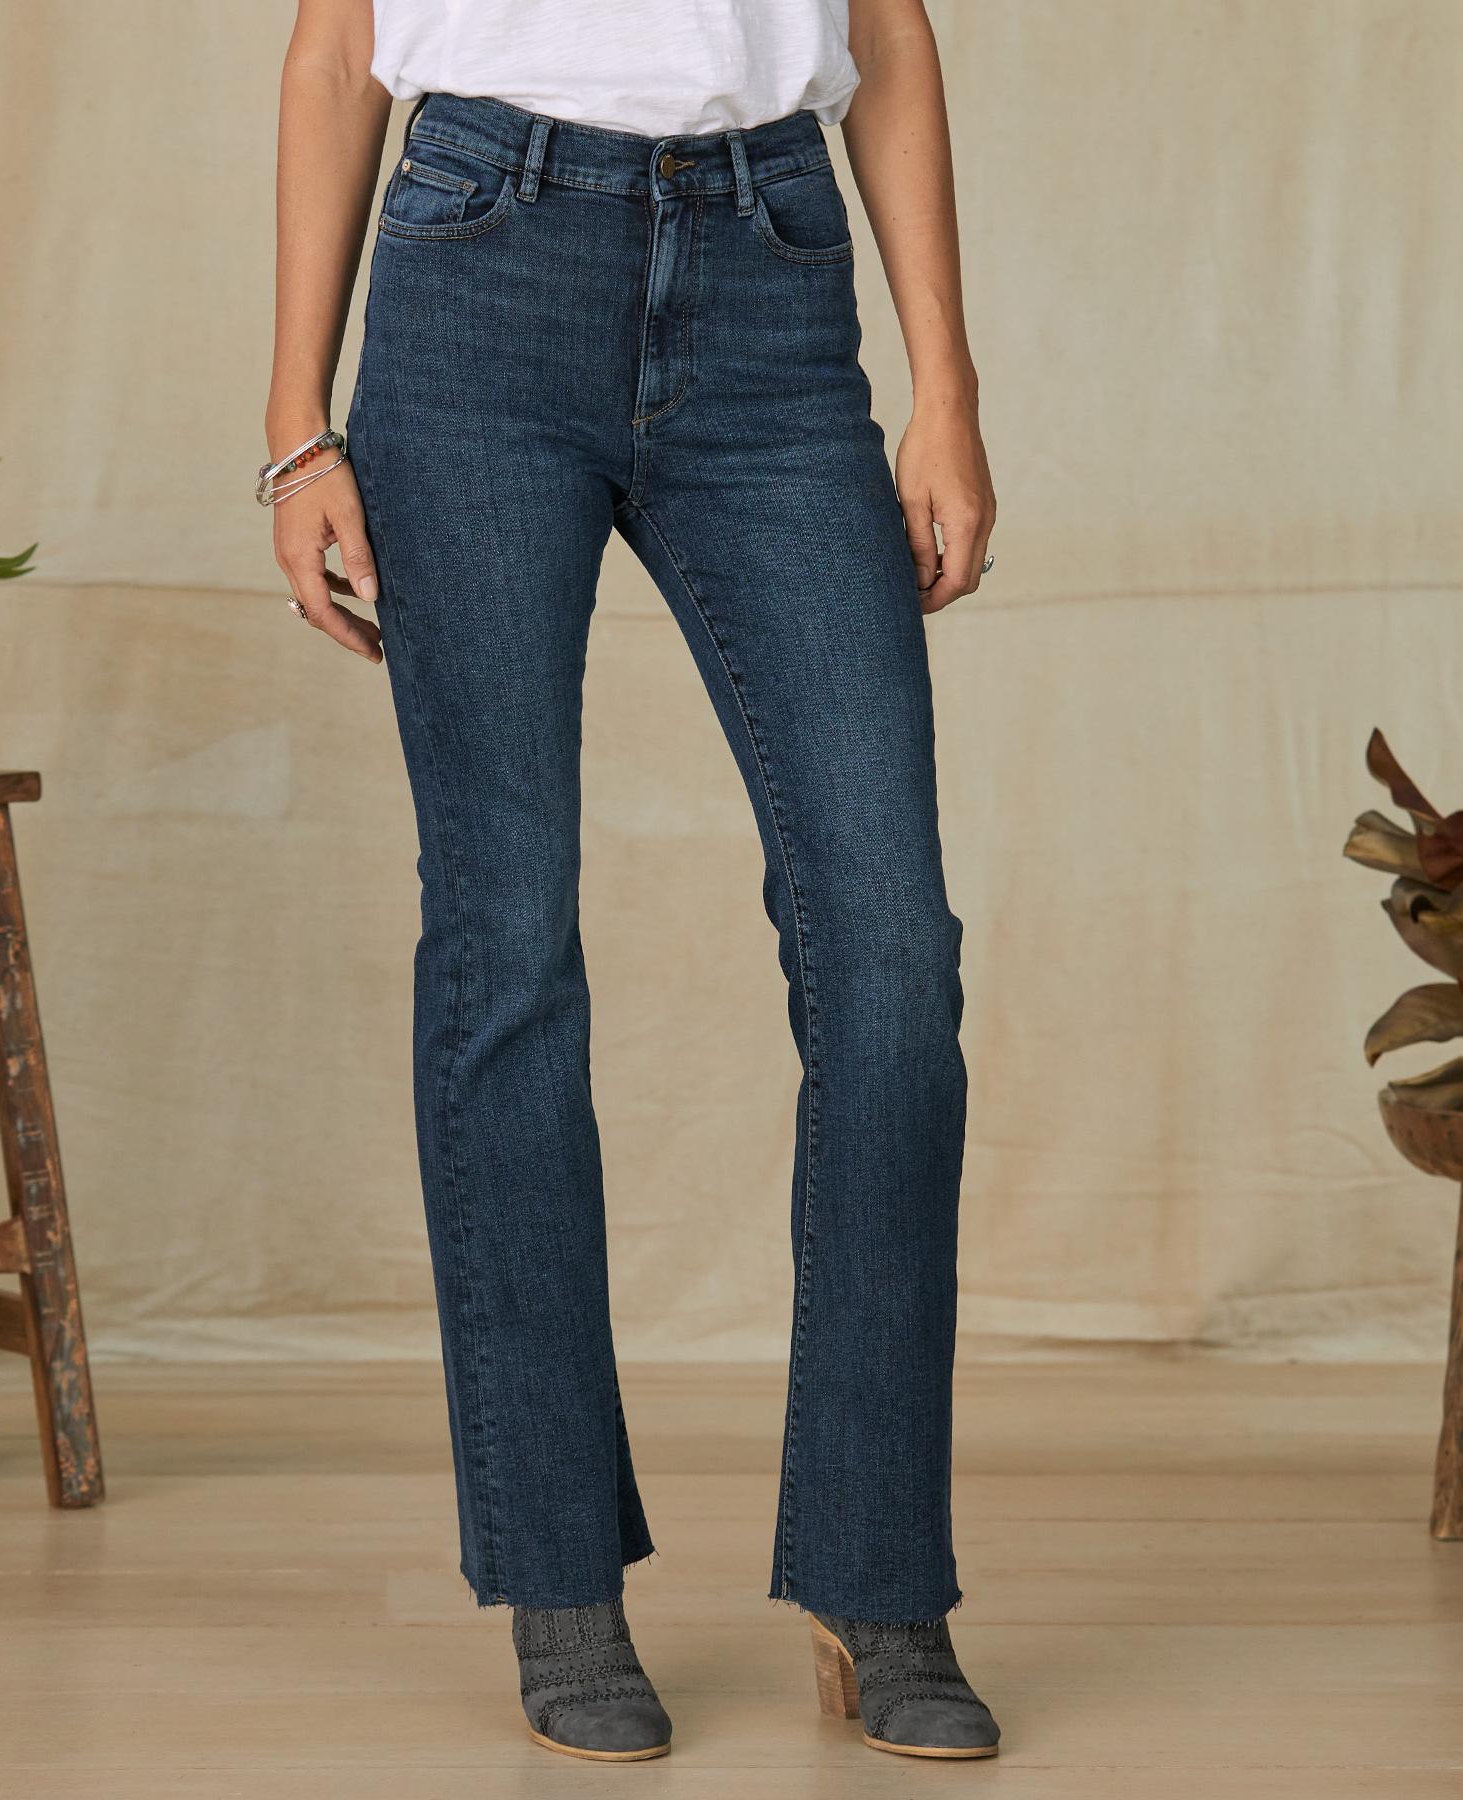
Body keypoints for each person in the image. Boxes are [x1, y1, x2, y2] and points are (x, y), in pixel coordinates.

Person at [264, 0, 999, 1763]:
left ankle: (880, 1580)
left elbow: (888, 38)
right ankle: (561, 1584)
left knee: (891, 952)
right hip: (475, 274)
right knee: (507, 938)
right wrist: (297, 423)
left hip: (771, 274)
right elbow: (336, 48)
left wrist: (948, 391)